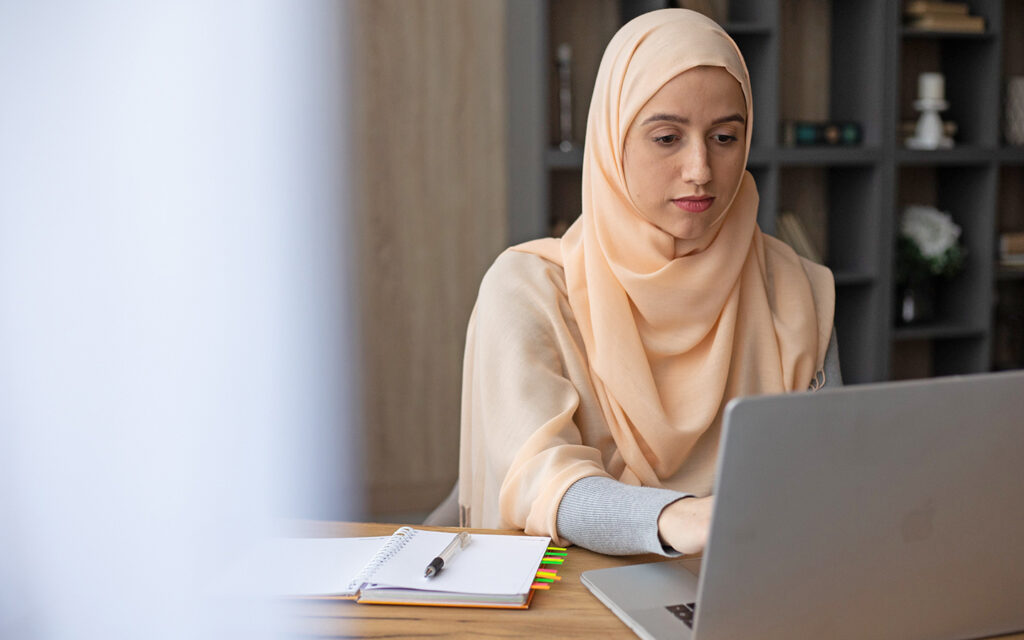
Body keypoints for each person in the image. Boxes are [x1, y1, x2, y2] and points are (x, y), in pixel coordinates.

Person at [458, 9, 839, 557]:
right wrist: (675, 517)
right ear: (613, 141)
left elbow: (834, 471)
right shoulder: (529, 290)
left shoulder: (799, 287)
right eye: (666, 137)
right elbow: (542, 479)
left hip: (754, 585)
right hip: (575, 593)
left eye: (726, 137)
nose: (700, 168)